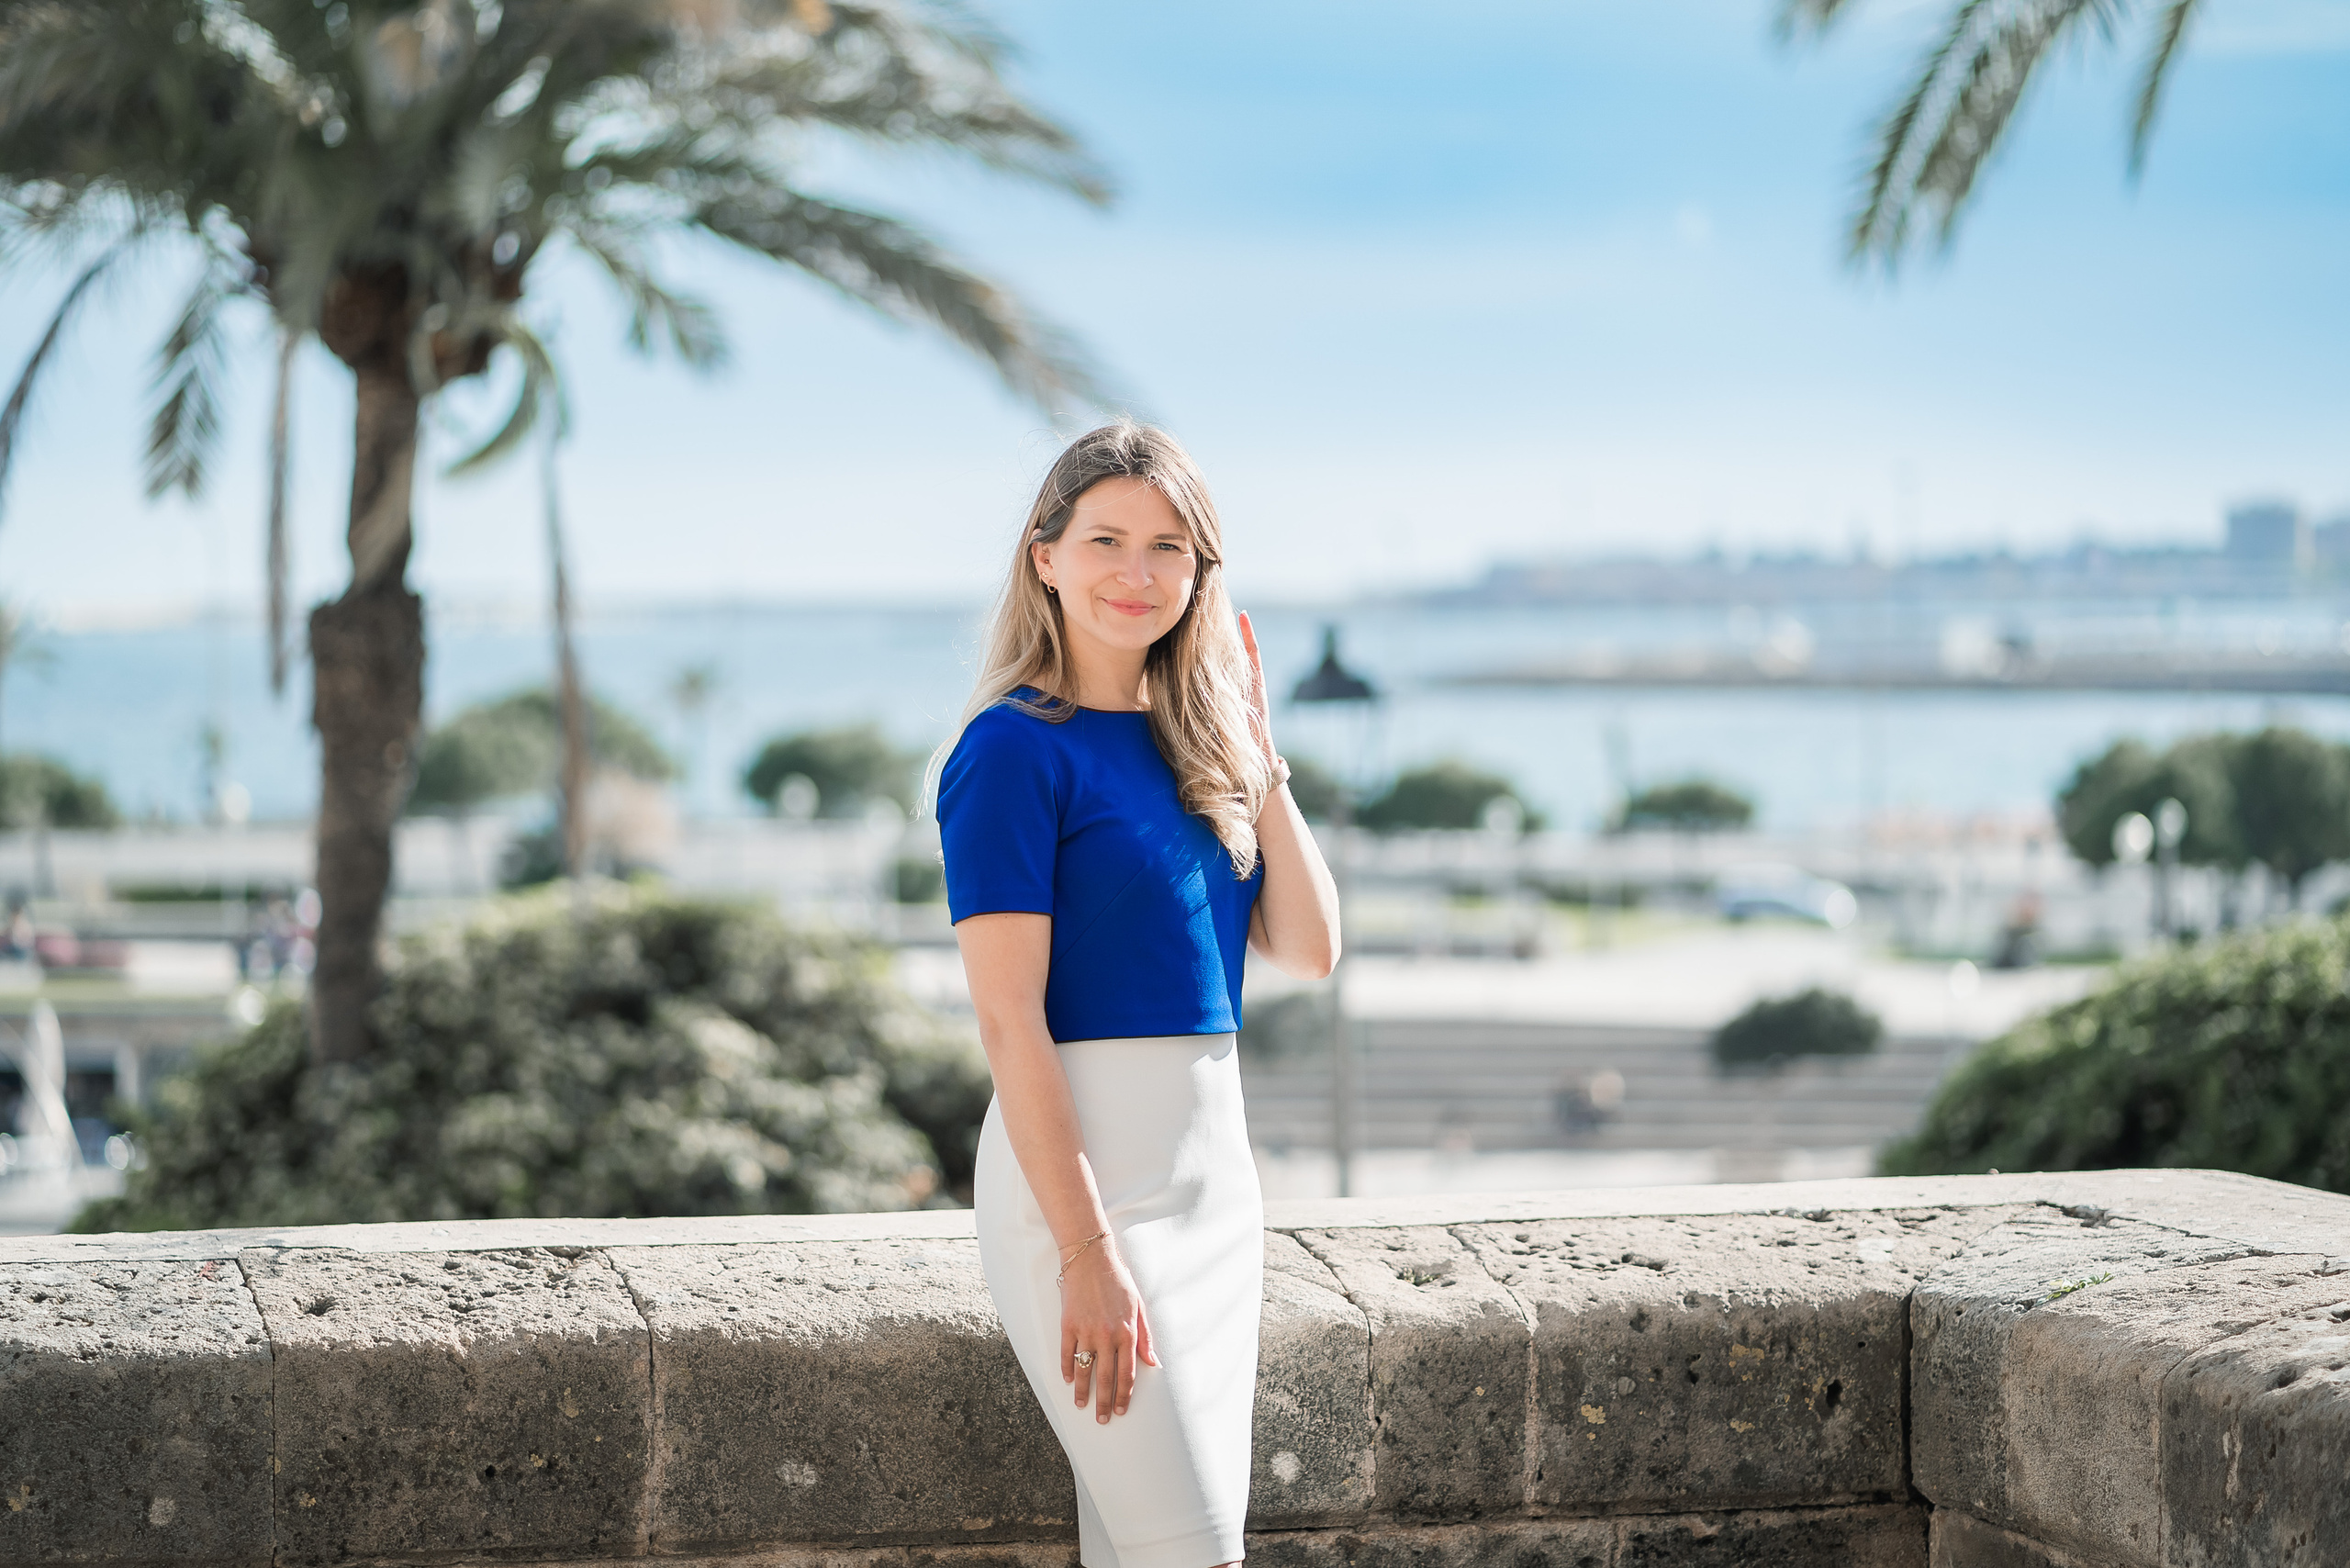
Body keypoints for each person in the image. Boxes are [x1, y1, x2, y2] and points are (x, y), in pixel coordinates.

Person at [931, 421, 1340, 1568]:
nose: (1136, 571)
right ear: (1043, 556)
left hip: (1218, 1199)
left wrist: (1258, 756)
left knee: (1141, 1554)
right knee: (1194, 1552)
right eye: (1105, 537)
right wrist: (1084, 1254)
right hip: (1088, 1200)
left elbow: (1310, 948)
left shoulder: (1200, 746)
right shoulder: (1009, 752)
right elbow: (1011, 1020)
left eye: (1170, 547)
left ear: (1200, 575)